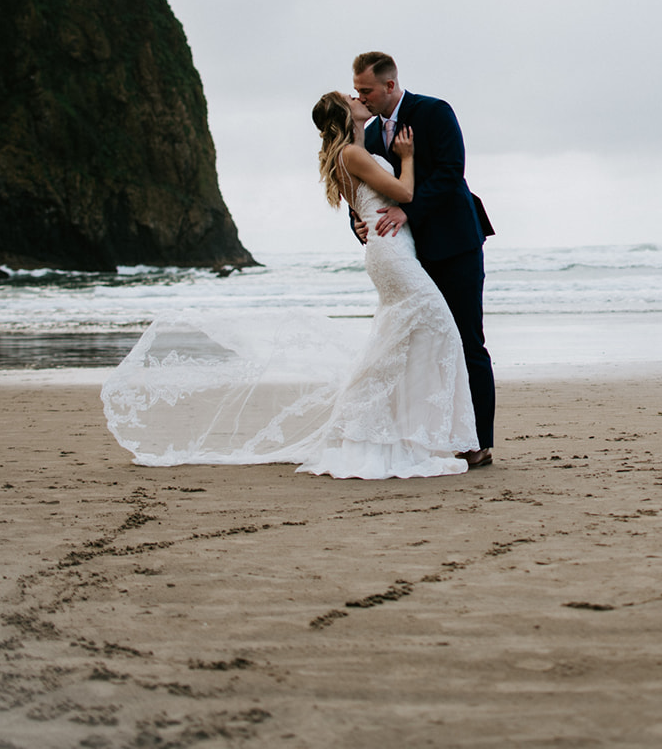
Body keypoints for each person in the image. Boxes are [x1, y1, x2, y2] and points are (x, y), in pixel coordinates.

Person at [100, 91, 479, 479]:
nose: (356, 97)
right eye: (350, 98)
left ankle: (398, 432)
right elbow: (405, 194)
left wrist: (370, 211)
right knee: (439, 331)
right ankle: (397, 432)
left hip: (391, 250)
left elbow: (365, 207)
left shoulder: (352, 153)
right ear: (345, 116)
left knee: (400, 341)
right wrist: (409, 158)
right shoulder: (352, 153)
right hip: (393, 254)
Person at [349, 52, 494, 467]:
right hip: (407, 254)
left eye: (366, 90)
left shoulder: (433, 111)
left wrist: (408, 211)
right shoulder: (370, 135)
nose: (361, 96)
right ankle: (429, 435)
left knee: (467, 340)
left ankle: (478, 442)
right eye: (357, 90)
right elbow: (363, 188)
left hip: (454, 244)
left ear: (390, 85)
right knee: (422, 346)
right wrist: (357, 223)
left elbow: (451, 172)